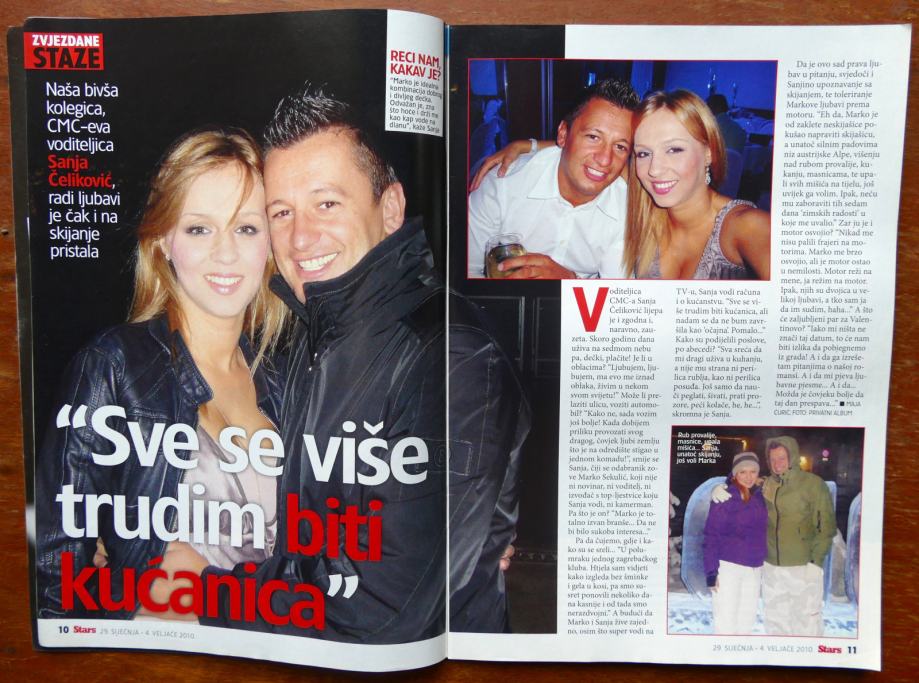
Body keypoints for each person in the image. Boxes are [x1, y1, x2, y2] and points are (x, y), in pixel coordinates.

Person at [159, 85, 527, 641]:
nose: (301, 236)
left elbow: (386, 613)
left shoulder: (452, 353)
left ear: (391, 208)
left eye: (327, 203)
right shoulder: (302, 341)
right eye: (282, 212)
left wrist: (202, 593)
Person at [36, 128, 286, 619]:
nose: (226, 253)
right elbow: (55, 581)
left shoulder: (284, 378)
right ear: (164, 241)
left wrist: (210, 593)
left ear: (270, 245)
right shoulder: (114, 367)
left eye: (245, 228)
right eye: (199, 229)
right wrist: (123, 596)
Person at [467, 78, 639, 279]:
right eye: (593, 137)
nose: (604, 159)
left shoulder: (629, 211)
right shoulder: (502, 184)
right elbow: (467, 271)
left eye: (620, 146)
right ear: (563, 134)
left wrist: (570, 282)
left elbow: (617, 292)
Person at [626, 89, 770, 279]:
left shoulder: (745, 225)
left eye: (674, 149)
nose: (654, 170)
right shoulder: (645, 216)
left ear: (708, 153)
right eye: (644, 153)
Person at [759, 436, 836, 636]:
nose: (777, 464)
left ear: (792, 457)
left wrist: (816, 562)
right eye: (772, 459)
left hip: (803, 568)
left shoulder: (813, 484)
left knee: (806, 624)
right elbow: (742, 479)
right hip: (772, 568)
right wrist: (721, 486)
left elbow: (826, 527)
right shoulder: (767, 484)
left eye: (782, 458)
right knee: (775, 624)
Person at [702, 452, 767, 635]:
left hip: (754, 570)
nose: (748, 477)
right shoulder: (725, 497)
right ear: (735, 473)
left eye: (753, 471)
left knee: (746, 624)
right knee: (726, 625)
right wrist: (711, 572)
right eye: (743, 472)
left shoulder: (760, 496)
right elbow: (711, 535)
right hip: (729, 569)